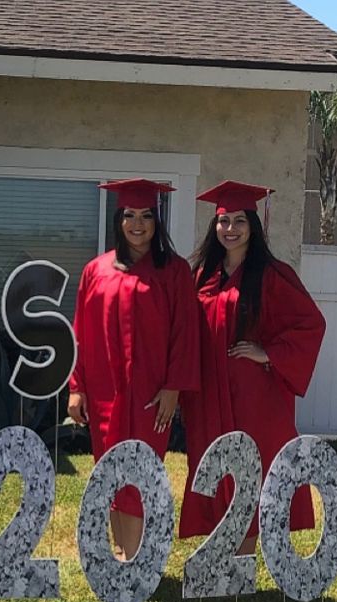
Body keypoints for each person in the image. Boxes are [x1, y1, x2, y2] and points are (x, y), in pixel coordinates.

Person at [178, 181, 326, 550]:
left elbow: (310, 323)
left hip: (255, 398)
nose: (231, 229)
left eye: (239, 221)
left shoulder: (272, 274)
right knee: (210, 466)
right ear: (214, 227)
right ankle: (218, 550)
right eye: (224, 221)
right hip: (208, 397)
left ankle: (242, 557)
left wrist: (269, 353)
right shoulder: (201, 276)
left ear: (253, 226)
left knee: (252, 468)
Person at [67, 179, 201, 560]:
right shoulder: (96, 270)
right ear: (118, 219)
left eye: (146, 216)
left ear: (157, 221)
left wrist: (174, 387)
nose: (138, 224)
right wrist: (77, 387)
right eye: (130, 215)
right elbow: (81, 331)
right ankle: (121, 554)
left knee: (142, 470)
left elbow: (185, 332)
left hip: (150, 393)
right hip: (105, 392)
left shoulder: (174, 271)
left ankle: (137, 558)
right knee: (108, 471)